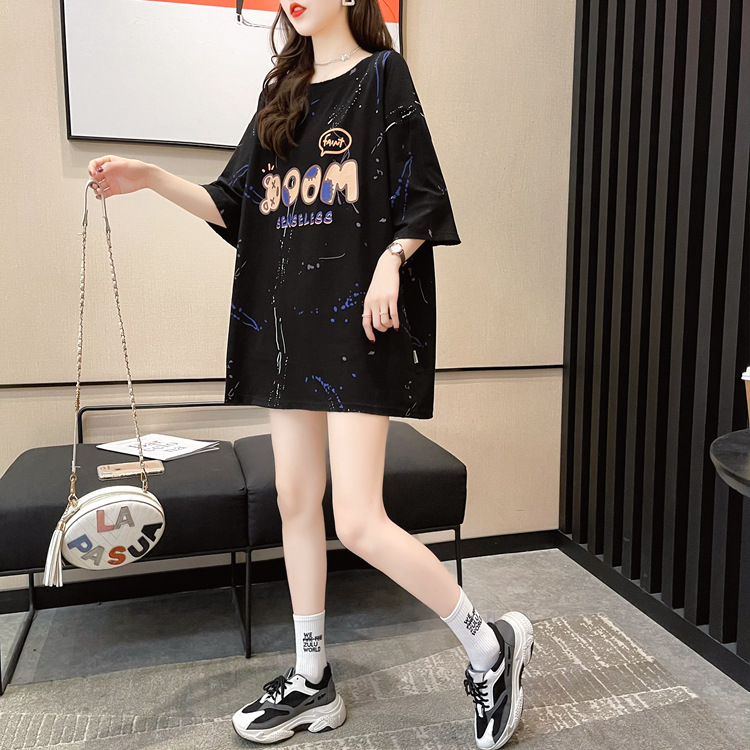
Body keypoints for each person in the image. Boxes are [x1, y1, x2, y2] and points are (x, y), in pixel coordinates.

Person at [87, 1, 533, 747]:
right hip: (286, 324)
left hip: (358, 323)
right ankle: (311, 678)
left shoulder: (382, 75)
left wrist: (391, 262)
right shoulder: (282, 92)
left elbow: (422, 193)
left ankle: (490, 646)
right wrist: (151, 176)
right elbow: (234, 205)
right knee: (295, 499)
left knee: (356, 519)